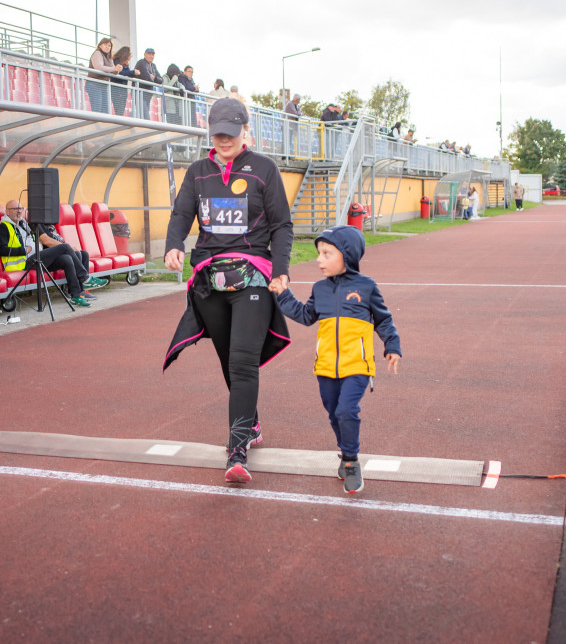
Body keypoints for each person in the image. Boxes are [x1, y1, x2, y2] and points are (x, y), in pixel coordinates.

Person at [163, 97, 294, 484]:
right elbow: (182, 213)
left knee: (241, 360)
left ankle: (237, 449)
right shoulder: (198, 172)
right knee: (227, 358)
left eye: (230, 133)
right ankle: (250, 423)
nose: (223, 140)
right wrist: (174, 244)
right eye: (217, 133)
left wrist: (282, 271)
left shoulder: (264, 170)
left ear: (244, 131)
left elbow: (282, 225)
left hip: (253, 276)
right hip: (209, 279)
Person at [270, 225, 401, 494]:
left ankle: (351, 461)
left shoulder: (367, 287)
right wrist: (283, 294)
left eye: (327, 253)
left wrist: (392, 345)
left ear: (347, 255)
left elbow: (383, 319)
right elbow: (305, 316)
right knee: (333, 413)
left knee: (346, 410)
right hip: (326, 366)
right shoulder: (320, 289)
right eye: (319, 253)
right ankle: (346, 451)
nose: (319, 259)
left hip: (357, 366)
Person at [0, 200, 108, 308]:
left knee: (67, 259)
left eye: (20, 208)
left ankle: (76, 295)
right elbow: (1, 249)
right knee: (65, 247)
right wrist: (24, 250)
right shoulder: (4, 227)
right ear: (7, 211)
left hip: (38, 258)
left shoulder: (23, 225)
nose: (19, 211)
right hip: (25, 263)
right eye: (15, 209)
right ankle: (85, 278)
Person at [86, 37, 122, 115]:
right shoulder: (97, 53)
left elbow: (113, 70)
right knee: (97, 109)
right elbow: (98, 67)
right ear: (100, 45)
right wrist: (113, 69)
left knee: (105, 110)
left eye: (109, 46)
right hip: (94, 84)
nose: (107, 47)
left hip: (103, 85)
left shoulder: (109, 57)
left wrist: (117, 69)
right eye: (105, 44)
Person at [133, 47, 163, 119]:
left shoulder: (153, 66)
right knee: (145, 116)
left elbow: (161, 80)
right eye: (149, 54)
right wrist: (153, 79)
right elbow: (147, 78)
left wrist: (154, 78)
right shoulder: (141, 63)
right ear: (145, 55)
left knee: (145, 114)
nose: (151, 56)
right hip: (140, 92)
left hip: (147, 93)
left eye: (152, 54)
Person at [111, 46, 135, 116]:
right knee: (118, 109)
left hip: (123, 89)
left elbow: (127, 73)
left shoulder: (125, 64)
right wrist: (132, 72)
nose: (130, 57)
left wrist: (133, 73)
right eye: (129, 55)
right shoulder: (116, 61)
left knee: (121, 109)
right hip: (116, 89)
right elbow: (120, 73)